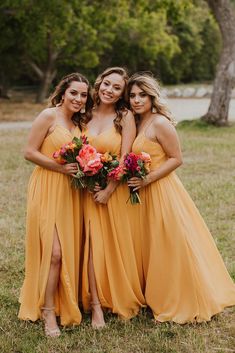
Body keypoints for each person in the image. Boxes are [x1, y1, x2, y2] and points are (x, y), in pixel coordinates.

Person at [127, 72, 235, 324]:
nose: (136, 100)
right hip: (143, 194)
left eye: (142, 94)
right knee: (151, 244)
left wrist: (148, 179)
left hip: (162, 190)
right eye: (132, 95)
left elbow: (177, 158)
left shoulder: (160, 123)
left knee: (172, 243)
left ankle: (184, 295)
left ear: (152, 96)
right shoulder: (137, 121)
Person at [18, 73, 93, 337]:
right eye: (74, 92)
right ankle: (48, 310)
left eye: (83, 95)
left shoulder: (80, 123)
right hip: (48, 186)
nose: (78, 98)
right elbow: (29, 152)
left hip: (72, 193)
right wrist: (60, 167)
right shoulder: (48, 116)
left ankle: (64, 302)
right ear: (63, 92)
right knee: (55, 253)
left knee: (70, 250)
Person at [81, 67, 145, 328]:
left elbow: (124, 158)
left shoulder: (125, 116)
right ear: (100, 83)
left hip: (110, 192)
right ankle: (93, 302)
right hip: (83, 191)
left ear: (122, 94)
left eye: (116, 88)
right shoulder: (85, 113)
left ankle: (101, 305)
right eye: (106, 84)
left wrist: (108, 190)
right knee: (89, 248)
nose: (109, 90)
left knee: (104, 248)